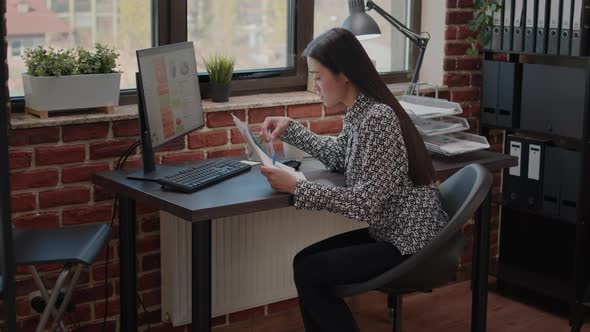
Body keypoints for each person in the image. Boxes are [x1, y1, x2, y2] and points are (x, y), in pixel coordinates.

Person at [259, 27, 449, 332]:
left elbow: (364, 203)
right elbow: (339, 156)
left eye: (318, 76)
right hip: (391, 232)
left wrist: (299, 188)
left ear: (344, 73)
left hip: (408, 242)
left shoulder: (378, 118)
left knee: (310, 271)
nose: (316, 86)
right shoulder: (361, 112)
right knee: (304, 264)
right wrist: (291, 128)